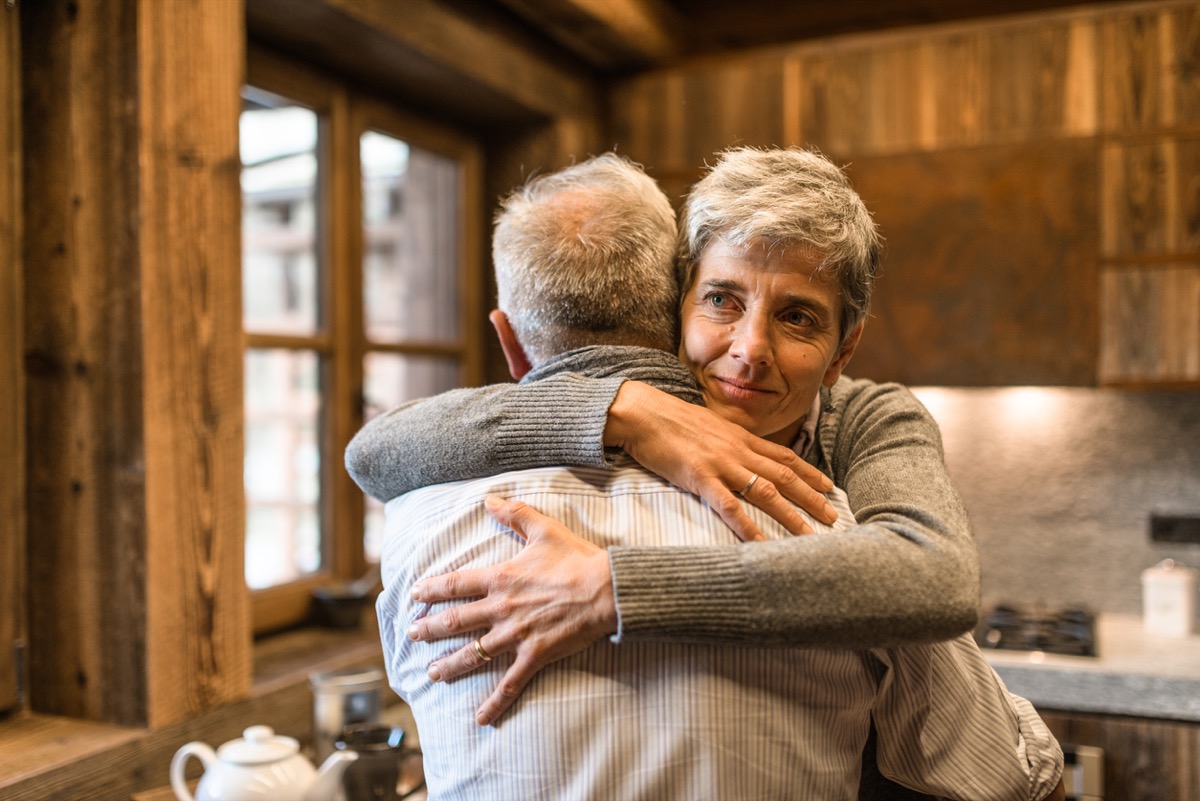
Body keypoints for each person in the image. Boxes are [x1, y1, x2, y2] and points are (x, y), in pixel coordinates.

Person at [363, 151, 1065, 800]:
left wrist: (617, 587)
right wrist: (621, 408)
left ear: (844, 348)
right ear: (678, 304)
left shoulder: (865, 421)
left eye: (797, 317)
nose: (750, 350)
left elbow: (932, 578)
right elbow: (377, 449)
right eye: (723, 300)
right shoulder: (638, 421)